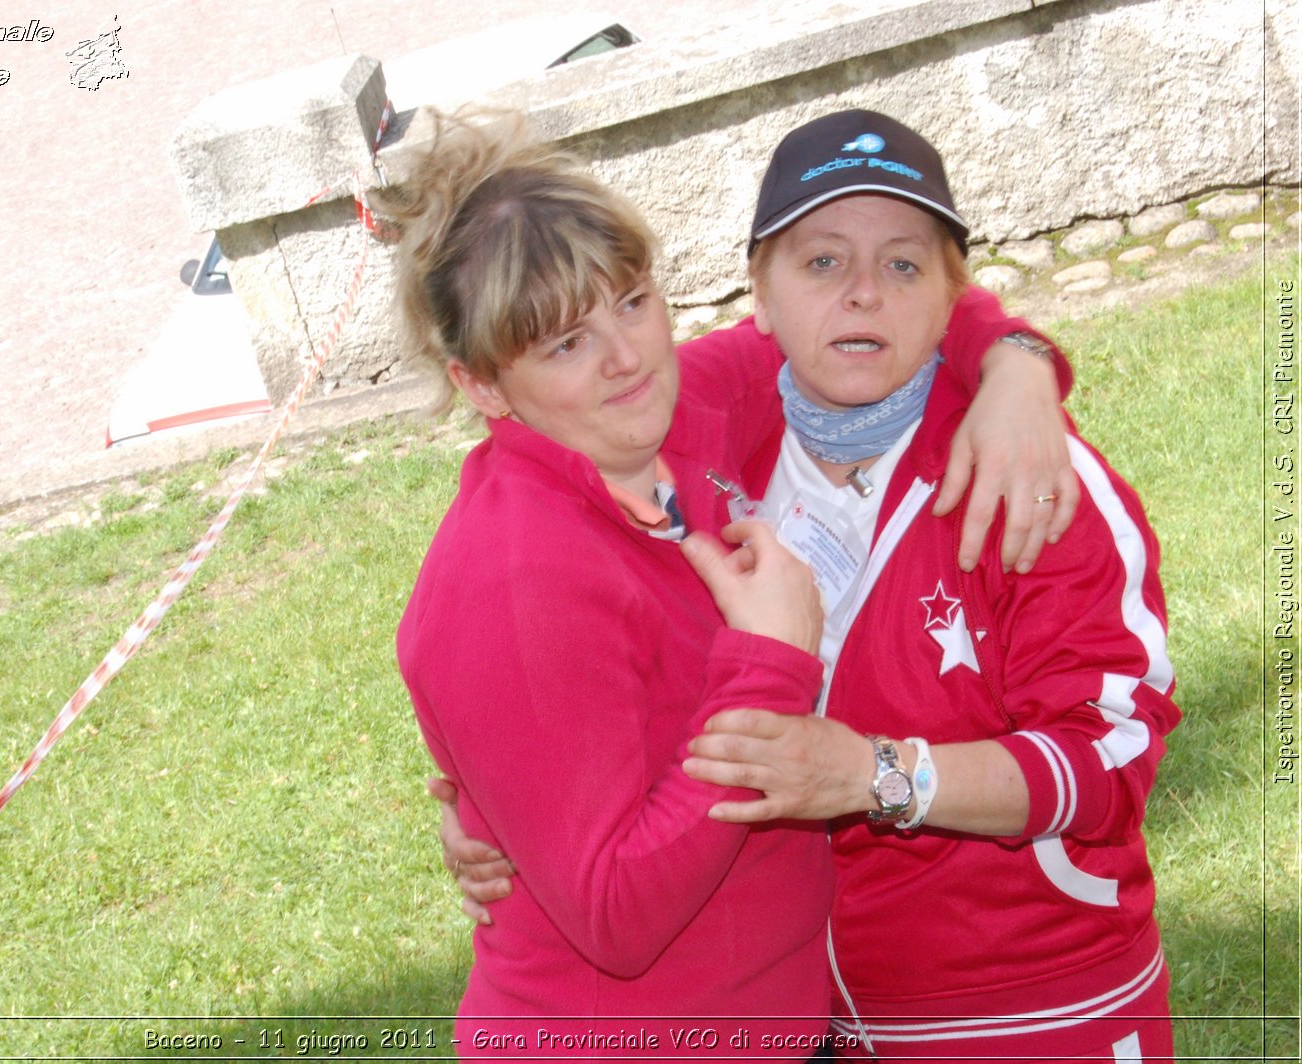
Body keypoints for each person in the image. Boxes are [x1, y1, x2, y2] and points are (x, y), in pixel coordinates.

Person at [440, 110, 1179, 1063]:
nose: (864, 295)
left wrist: (876, 774)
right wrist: (499, 794)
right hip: (818, 1016)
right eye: (821, 263)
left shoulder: (1031, 478)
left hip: (1029, 1014)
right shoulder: (702, 417)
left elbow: (1112, 762)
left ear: (953, 292)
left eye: (904, 266)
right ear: (761, 293)